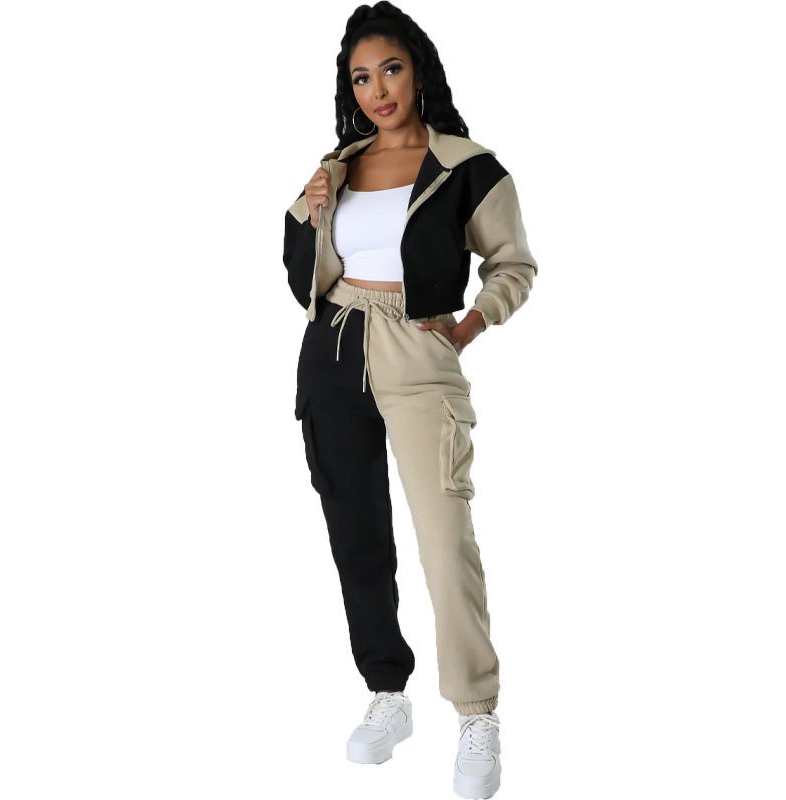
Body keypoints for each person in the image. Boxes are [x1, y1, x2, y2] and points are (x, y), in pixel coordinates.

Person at [282, 5, 537, 797]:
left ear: (418, 68)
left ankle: (476, 713)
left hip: (418, 350)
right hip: (332, 346)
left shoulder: (467, 166)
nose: (377, 89)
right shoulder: (337, 164)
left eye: (390, 68)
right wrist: (311, 211)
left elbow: (514, 265)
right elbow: (301, 273)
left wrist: (467, 326)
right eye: (361, 77)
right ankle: (386, 694)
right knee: (356, 536)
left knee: (443, 539)